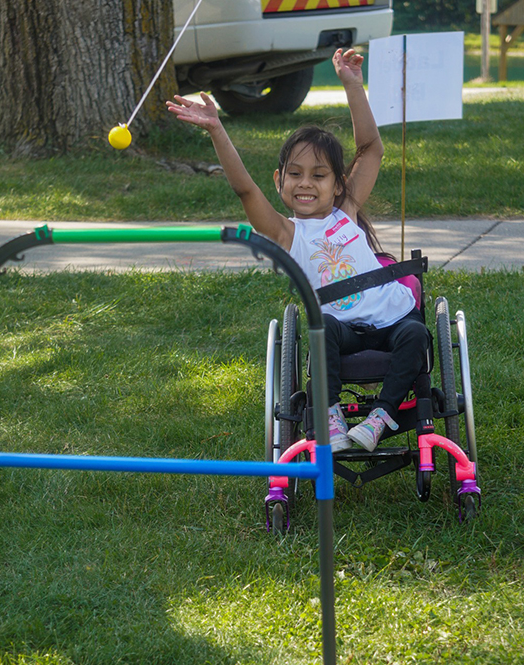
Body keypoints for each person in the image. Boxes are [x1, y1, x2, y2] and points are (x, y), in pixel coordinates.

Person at [167, 48, 430, 453]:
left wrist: (352, 85)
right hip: (339, 330)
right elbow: (244, 189)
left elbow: (372, 150)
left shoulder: (347, 211)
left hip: (389, 319)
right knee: (320, 332)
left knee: (417, 333)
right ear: (279, 180)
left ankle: (381, 416)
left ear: (339, 184)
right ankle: (331, 416)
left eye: (319, 175)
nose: (306, 183)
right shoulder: (286, 232)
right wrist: (218, 130)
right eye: (295, 174)